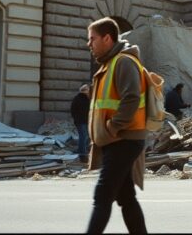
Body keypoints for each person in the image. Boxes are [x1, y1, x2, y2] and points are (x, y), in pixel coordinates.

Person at [85, 17, 147, 234]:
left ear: (107, 38)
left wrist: (112, 127)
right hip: (117, 140)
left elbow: (131, 98)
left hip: (123, 139)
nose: (89, 44)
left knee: (102, 196)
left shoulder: (123, 62)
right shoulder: (109, 64)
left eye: (92, 39)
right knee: (126, 197)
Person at [71, 84, 91, 163]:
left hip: (84, 121)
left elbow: (73, 110)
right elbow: (73, 110)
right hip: (81, 121)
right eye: (88, 90)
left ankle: (82, 151)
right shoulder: (82, 99)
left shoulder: (81, 99)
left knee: (85, 137)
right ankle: (82, 153)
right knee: (84, 137)